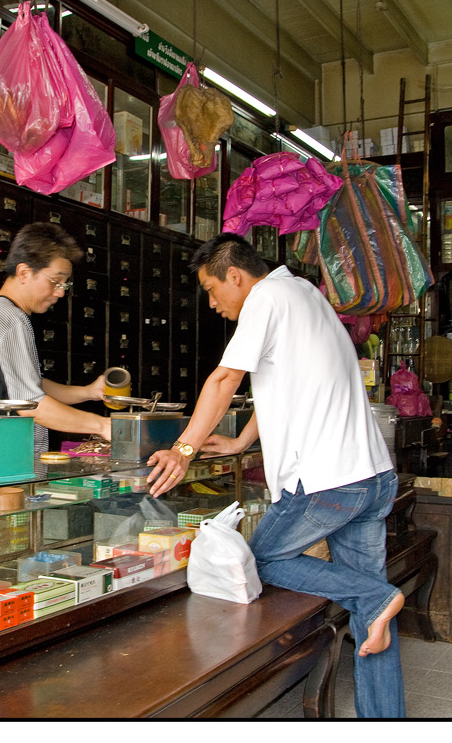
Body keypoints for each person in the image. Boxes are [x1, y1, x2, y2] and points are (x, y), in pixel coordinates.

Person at [145, 233, 406, 719]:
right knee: (373, 617)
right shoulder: (307, 296)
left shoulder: (265, 299)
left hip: (328, 482)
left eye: (210, 289)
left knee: (259, 561)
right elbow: (286, 384)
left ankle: (378, 595)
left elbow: (226, 378)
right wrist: (243, 442)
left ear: (236, 277)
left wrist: (183, 448)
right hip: (371, 476)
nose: (211, 302)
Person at [0, 222, 111, 453]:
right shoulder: (10, 320)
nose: (60, 292)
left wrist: (88, 392)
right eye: (55, 281)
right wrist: (103, 425)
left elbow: (28, 385)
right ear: (24, 273)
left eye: (64, 284)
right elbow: (30, 404)